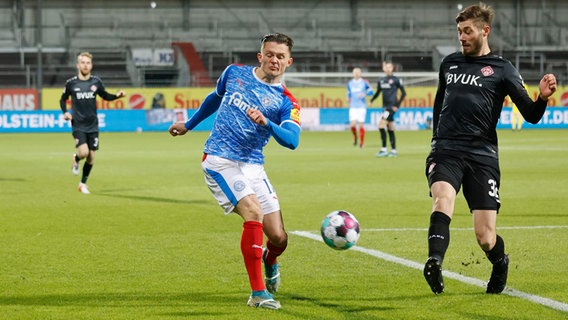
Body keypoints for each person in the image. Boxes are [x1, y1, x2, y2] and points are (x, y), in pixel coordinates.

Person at [423, 2, 557, 295]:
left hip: (482, 155)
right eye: (459, 31)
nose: (462, 37)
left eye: (467, 31)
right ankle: (434, 261)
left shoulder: (503, 69)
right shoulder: (449, 64)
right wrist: (436, 139)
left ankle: (500, 262)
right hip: (447, 149)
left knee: (485, 236)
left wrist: (543, 98)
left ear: (485, 31)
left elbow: (531, 115)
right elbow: (439, 103)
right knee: (442, 198)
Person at [168, 33, 300, 310]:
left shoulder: (287, 101)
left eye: (280, 56)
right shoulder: (233, 73)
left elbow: (292, 140)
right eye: (269, 54)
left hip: (253, 165)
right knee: (253, 212)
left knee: (278, 237)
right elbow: (214, 98)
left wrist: (267, 123)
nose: (274, 60)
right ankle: (258, 294)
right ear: (260, 56)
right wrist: (189, 125)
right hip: (219, 160)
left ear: (288, 62)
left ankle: (270, 259)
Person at [60, 52, 126, 194]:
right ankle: (76, 158)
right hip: (78, 124)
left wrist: (117, 96)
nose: (85, 65)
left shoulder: (96, 82)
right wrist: (65, 112)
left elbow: (105, 96)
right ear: (78, 65)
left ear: (91, 65)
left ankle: (82, 184)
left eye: (88, 63)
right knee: (83, 152)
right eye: (82, 62)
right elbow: (63, 99)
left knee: (91, 156)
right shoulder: (71, 83)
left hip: (93, 125)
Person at [370, 61, 406, 157]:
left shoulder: (396, 80)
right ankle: (393, 151)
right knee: (390, 128)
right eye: (387, 67)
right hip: (385, 107)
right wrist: (371, 100)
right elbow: (378, 92)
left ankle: (384, 149)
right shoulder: (381, 80)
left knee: (381, 125)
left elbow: (403, 93)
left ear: (392, 68)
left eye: (390, 67)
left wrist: (397, 106)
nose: (388, 69)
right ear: (384, 69)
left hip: (391, 108)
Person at [347, 67, 374, 148]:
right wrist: (348, 99)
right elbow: (349, 93)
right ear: (353, 73)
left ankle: (362, 143)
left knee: (361, 125)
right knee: (352, 125)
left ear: (360, 73)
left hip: (361, 106)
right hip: (353, 106)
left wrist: (365, 94)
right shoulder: (350, 83)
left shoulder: (364, 82)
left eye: (358, 72)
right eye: (355, 72)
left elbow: (372, 91)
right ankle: (355, 137)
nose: (356, 73)